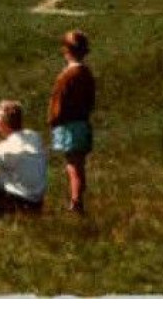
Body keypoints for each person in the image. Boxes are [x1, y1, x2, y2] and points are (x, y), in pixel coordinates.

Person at [49, 29, 96, 214]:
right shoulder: (86, 74)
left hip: (69, 125)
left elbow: (57, 102)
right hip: (83, 123)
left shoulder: (67, 76)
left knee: (73, 165)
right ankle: (78, 198)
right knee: (79, 164)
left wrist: (53, 119)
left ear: (66, 50)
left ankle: (76, 201)